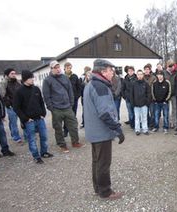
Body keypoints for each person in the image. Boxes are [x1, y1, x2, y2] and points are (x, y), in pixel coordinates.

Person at [84, 59, 125, 200]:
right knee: (103, 163)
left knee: (97, 161)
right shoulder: (100, 87)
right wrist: (117, 129)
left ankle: (98, 188)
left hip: (93, 132)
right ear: (103, 71)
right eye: (110, 70)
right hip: (101, 133)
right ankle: (105, 191)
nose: (112, 72)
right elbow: (105, 113)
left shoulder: (91, 84)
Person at [42, 60, 84, 153]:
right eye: (55, 68)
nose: (57, 69)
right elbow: (46, 95)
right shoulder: (47, 80)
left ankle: (75, 142)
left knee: (73, 125)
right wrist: (51, 108)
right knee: (58, 128)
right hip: (56, 109)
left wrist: (71, 103)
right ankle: (62, 145)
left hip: (67, 107)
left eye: (58, 67)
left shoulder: (65, 78)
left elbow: (70, 91)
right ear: (51, 69)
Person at [13, 70, 53, 164]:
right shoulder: (19, 91)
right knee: (32, 139)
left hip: (40, 118)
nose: (32, 79)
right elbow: (16, 108)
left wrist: (43, 114)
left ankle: (44, 152)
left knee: (44, 136)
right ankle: (36, 156)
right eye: (30, 78)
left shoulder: (36, 89)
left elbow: (41, 102)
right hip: (29, 120)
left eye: (32, 77)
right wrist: (25, 119)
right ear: (25, 79)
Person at [0, 68, 23, 143]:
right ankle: (16, 137)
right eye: (12, 73)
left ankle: (26, 135)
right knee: (13, 122)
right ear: (7, 74)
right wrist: (8, 104)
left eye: (14, 73)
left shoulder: (17, 82)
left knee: (23, 120)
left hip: (20, 105)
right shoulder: (3, 83)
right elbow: (2, 95)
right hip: (11, 106)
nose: (14, 75)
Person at [130, 70, 151, 135]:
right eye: (138, 74)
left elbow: (149, 94)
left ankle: (145, 130)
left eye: (141, 74)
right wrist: (132, 103)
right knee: (137, 118)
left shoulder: (146, 84)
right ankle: (137, 130)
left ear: (143, 75)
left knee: (144, 118)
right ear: (137, 75)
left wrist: (147, 102)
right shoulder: (133, 84)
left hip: (144, 104)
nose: (140, 75)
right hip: (136, 105)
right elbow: (131, 94)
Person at [63, 62, 81, 137]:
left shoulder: (75, 76)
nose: (69, 69)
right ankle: (65, 130)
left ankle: (73, 130)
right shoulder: (62, 77)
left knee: (73, 115)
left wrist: (77, 96)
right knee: (66, 116)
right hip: (65, 101)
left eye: (70, 68)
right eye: (67, 68)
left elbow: (79, 87)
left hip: (74, 100)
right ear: (64, 68)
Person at [143, 64, 157, 130]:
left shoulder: (153, 77)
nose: (146, 71)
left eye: (147, 69)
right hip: (144, 98)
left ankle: (152, 125)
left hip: (152, 98)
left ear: (150, 70)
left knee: (152, 113)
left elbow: (155, 87)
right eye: (145, 69)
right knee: (145, 113)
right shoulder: (142, 77)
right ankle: (147, 124)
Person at [164, 60, 177, 129]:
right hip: (166, 94)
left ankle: (173, 122)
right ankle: (167, 123)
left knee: (175, 109)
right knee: (166, 109)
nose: (171, 67)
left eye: (172, 66)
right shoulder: (164, 73)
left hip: (174, 94)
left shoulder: (176, 73)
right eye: (170, 66)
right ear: (167, 66)